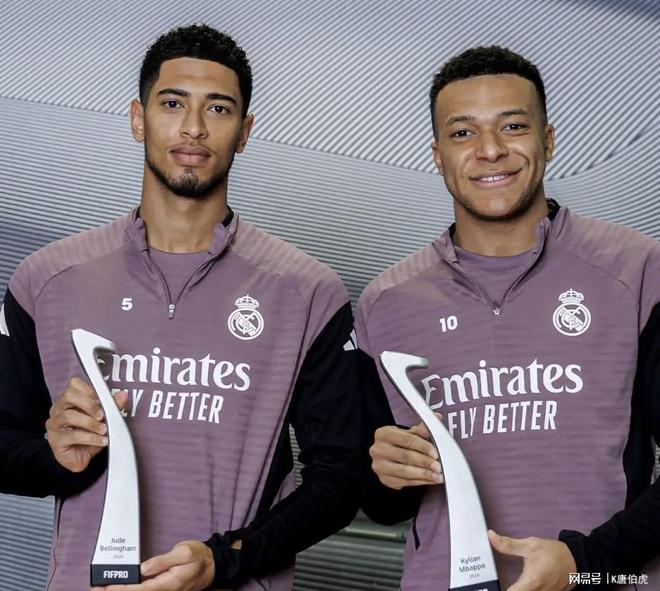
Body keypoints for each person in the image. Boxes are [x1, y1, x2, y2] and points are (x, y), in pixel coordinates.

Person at [0, 24, 363, 591]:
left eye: (218, 108)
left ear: (244, 132)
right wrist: (54, 459)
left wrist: (227, 560)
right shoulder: (45, 279)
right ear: (137, 118)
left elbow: (341, 477)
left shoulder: (308, 292)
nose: (194, 126)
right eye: (172, 104)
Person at [358, 46, 660, 590]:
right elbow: (383, 505)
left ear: (548, 140)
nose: (491, 150)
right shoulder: (386, 302)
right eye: (463, 133)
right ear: (438, 155)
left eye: (513, 126)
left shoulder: (637, 270)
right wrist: (385, 474)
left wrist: (586, 562)